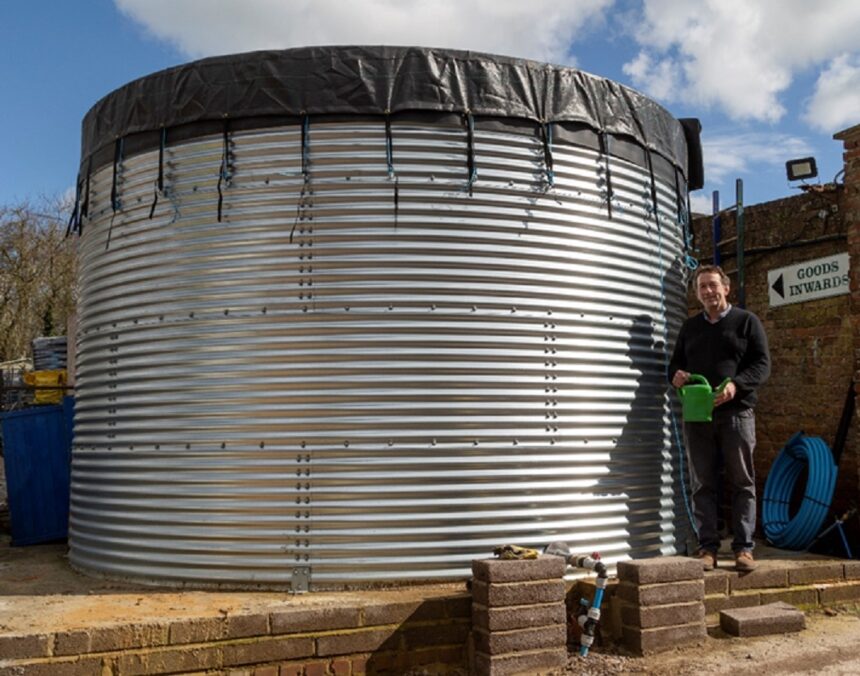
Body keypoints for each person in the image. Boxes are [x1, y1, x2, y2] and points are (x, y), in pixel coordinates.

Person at [669, 265, 770, 572]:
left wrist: (736, 385)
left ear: (726, 288)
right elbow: (673, 367)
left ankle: (743, 549)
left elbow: (762, 364)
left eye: (713, 285)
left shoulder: (746, 322)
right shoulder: (690, 328)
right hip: (698, 416)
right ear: (697, 294)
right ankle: (707, 549)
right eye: (702, 287)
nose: (708, 291)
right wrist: (676, 376)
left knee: (742, 482)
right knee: (703, 484)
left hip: (736, 414)